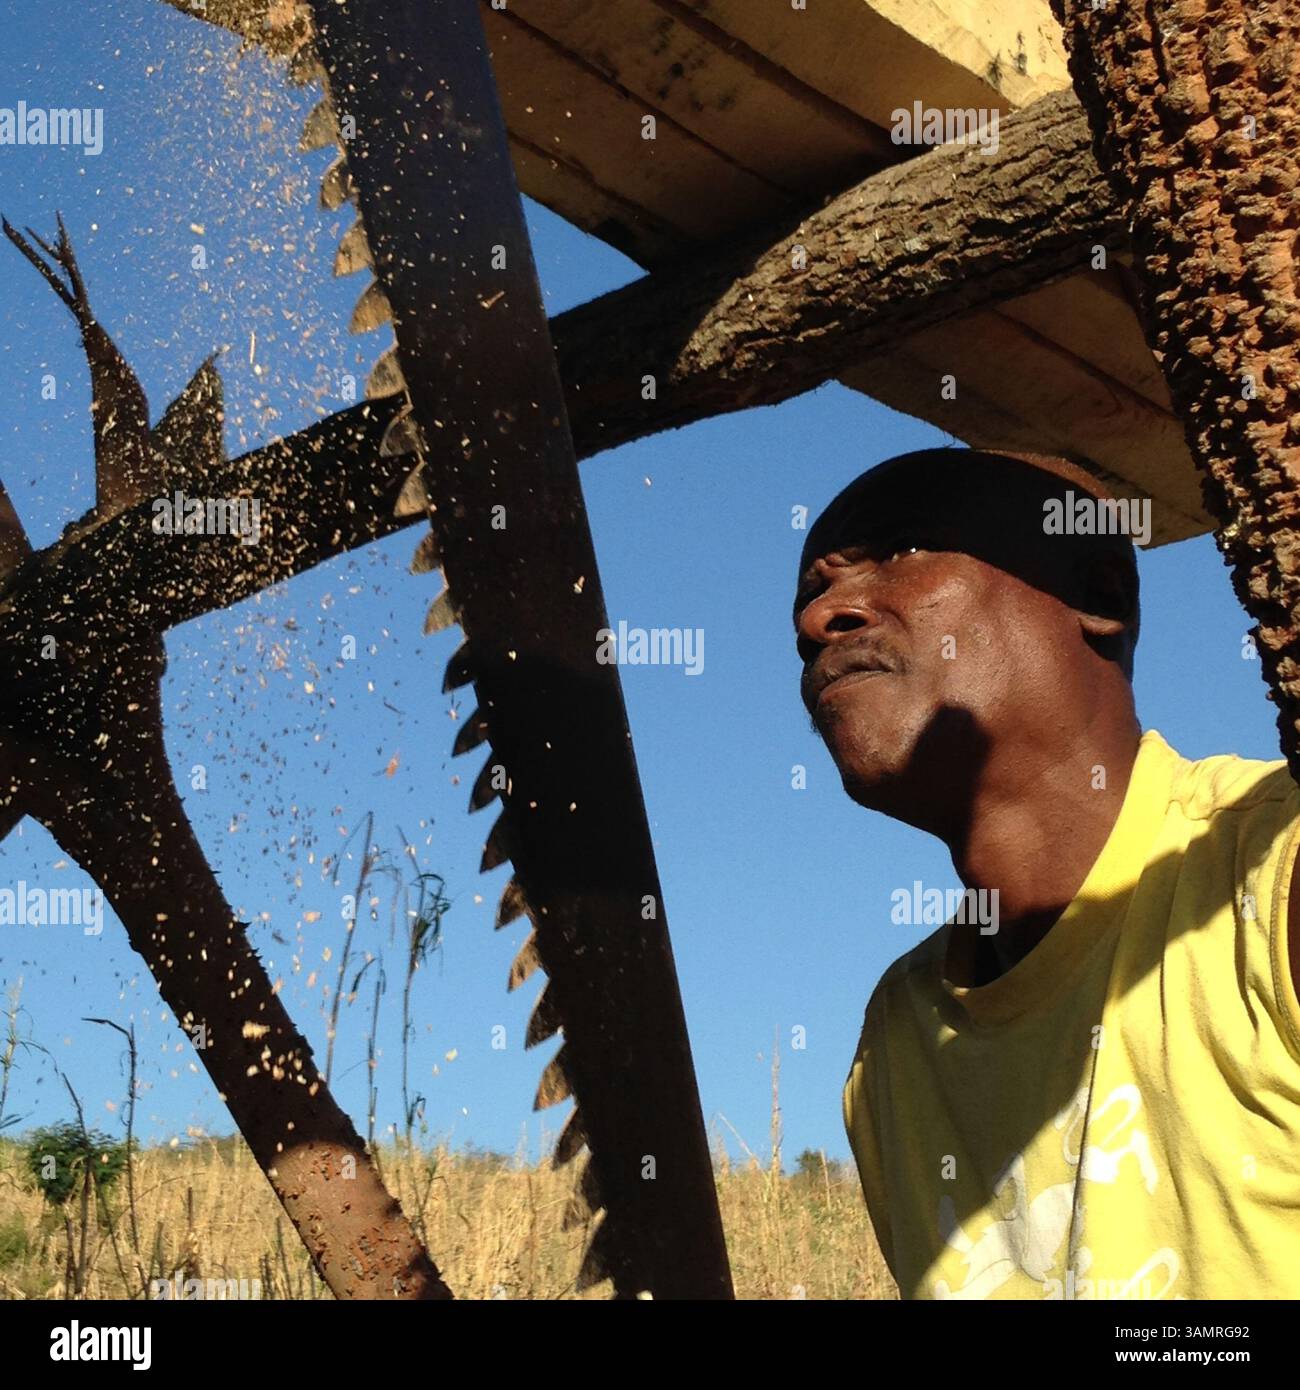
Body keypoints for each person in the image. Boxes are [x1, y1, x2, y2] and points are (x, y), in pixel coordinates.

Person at [794, 448, 1300, 1300]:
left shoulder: (1271, 868)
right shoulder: (895, 1047)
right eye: (811, 592)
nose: (821, 619)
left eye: (905, 550)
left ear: (1097, 598)